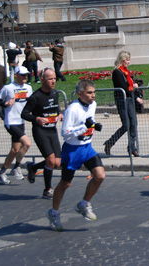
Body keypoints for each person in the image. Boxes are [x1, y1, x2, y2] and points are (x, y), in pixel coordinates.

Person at [46, 80, 105, 231]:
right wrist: (84, 127)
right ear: (80, 94)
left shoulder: (93, 105)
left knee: (100, 176)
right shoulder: (72, 109)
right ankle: (54, 213)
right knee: (65, 184)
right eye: (89, 93)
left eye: (94, 92)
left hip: (87, 148)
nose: (93, 95)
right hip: (72, 151)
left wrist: (94, 125)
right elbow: (65, 133)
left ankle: (84, 204)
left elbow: (88, 121)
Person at [22, 68, 63, 199]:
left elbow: (56, 107)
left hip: (52, 130)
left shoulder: (55, 93)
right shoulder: (36, 97)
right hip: (40, 131)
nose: (53, 81)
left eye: (54, 78)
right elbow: (24, 114)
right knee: (50, 161)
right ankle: (47, 189)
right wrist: (37, 119)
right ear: (43, 80)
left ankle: (33, 167)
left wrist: (60, 113)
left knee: (57, 162)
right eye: (50, 79)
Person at [0, 66, 33, 184]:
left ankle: (1, 173)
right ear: (16, 75)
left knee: (15, 149)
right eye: (22, 75)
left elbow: (32, 103)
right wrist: (6, 103)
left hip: (21, 121)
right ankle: (16, 167)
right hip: (11, 121)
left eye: (26, 74)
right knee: (27, 143)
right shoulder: (8, 88)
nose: (25, 77)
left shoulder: (28, 88)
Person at [104, 51, 138, 157]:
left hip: (129, 100)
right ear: (122, 60)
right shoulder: (117, 72)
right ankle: (110, 143)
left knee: (133, 123)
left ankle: (132, 147)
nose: (128, 62)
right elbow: (123, 87)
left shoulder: (126, 72)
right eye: (127, 60)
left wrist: (134, 86)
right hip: (122, 100)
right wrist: (135, 97)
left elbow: (129, 85)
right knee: (126, 125)